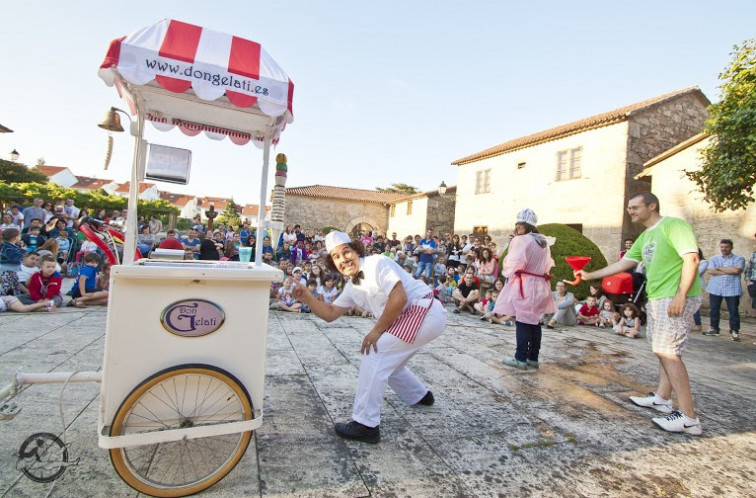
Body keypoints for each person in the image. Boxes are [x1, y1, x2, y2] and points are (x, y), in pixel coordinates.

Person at [292, 231, 446, 444]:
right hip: (418, 316)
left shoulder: (377, 263)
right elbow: (330, 313)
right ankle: (420, 396)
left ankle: (365, 425)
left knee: (375, 352)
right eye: (336, 257)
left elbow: (399, 297)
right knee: (389, 361)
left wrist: (376, 331)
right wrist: (308, 298)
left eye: (346, 252)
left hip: (423, 311)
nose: (343, 259)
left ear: (356, 250)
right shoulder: (352, 286)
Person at [577, 191, 703, 435]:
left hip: (674, 295)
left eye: (635, 207)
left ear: (652, 205)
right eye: (629, 208)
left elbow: (692, 259)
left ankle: (689, 417)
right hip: (657, 297)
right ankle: (663, 398)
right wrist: (590, 275)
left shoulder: (673, 225)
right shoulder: (645, 236)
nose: (631, 212)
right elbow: (623, 264)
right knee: (662, 348)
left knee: (668, 351)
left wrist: (680, 295)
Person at [494, 208, 556, 370]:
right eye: (518, 223)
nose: (518, 226)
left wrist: (509, 271)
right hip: (540, 284)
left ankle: (520, 358)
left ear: (529, 225)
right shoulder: (543, 241)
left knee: (522, 321)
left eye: (522, 223)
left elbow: (514, 262)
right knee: (535, 321)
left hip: (526, 283)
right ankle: (533, 358)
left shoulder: (521, 240)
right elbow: (547, 264)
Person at [703, 238, 745, 341]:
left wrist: (719, 268)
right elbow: (711, 271)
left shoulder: (739, 259)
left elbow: (736, 270)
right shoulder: (714, 259)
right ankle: (714, 328)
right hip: (716, 288)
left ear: (731, 247)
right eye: (722, 247)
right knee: (714, 310)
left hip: (732, 288)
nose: (724, 249)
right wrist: (729, 270)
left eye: (726, 247)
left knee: (734, 311)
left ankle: (734, 331)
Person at [1, 228, 26, 296]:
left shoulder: (12, 246)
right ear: (15, 237)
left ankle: (16, 299)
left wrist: (20, 247)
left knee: (15, 286)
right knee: (6, 286)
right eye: (19, 235)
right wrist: (22, 251)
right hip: (6, 271)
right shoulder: (7, 247)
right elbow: (15, 258)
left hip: (13, 270)